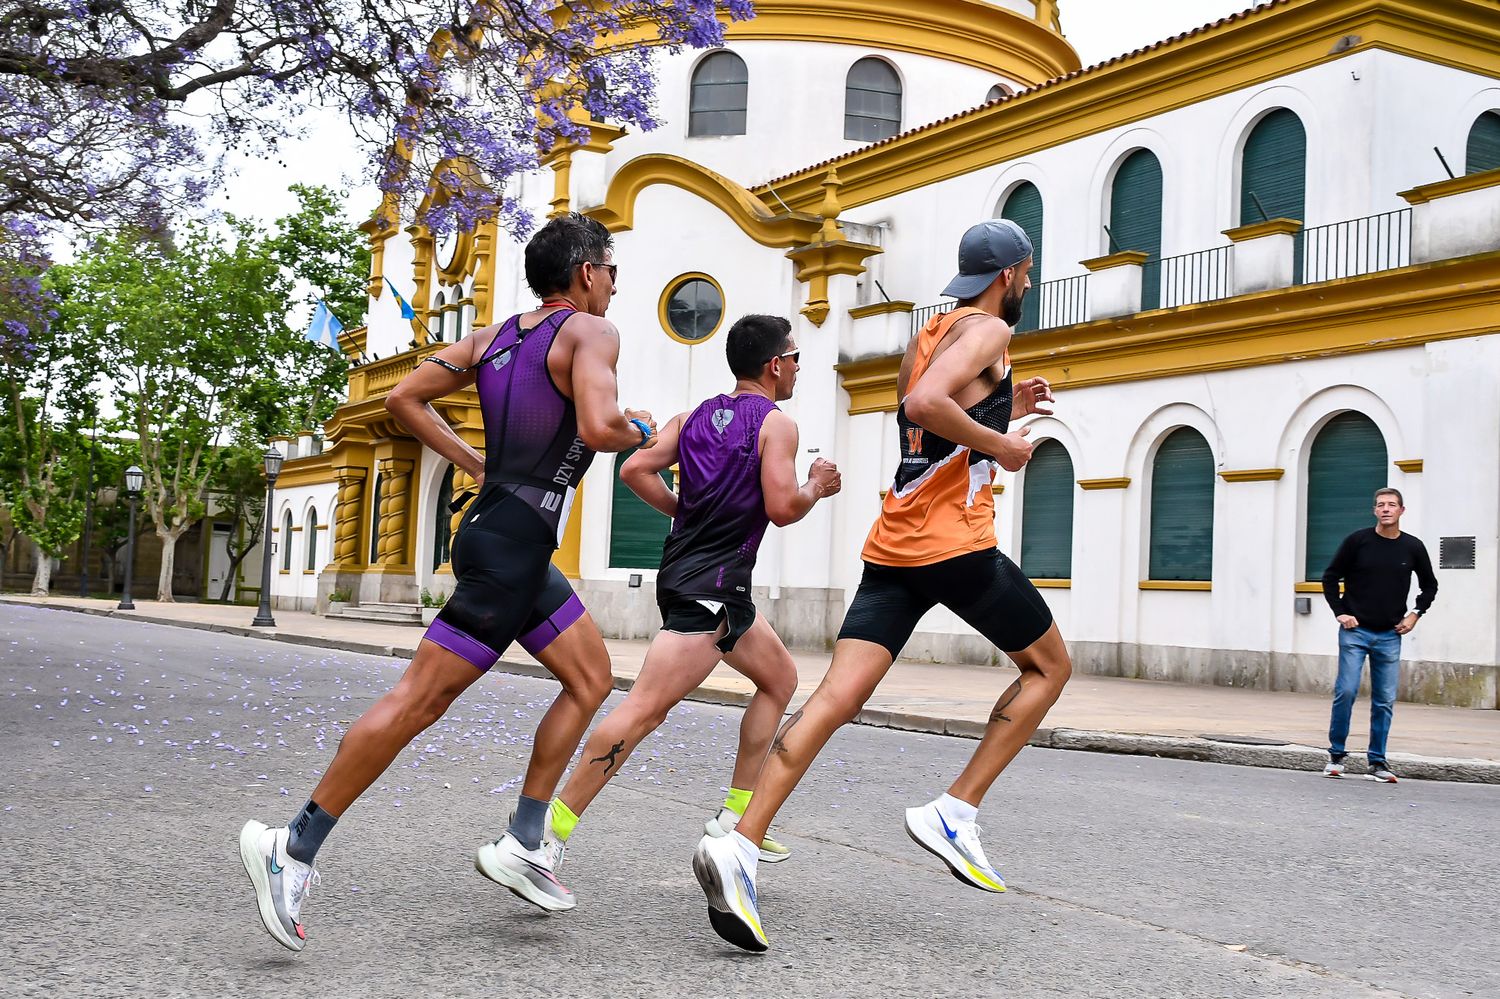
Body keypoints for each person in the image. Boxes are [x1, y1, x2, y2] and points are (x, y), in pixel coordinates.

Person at [238, 212, 658, 951]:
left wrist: (474, 462)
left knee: (590, 678)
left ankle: (526, 841)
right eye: (612, 270)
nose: (616, 285)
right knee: (416, 702)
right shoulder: (591, 333)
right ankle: (292, 845)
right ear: (586, 272)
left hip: (507, 542)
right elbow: (597, 427)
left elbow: (403, 399)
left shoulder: (493, 337)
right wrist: (640, 430)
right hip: (509, 550)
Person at [691, 218, 1072, 952]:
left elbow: (921, 425)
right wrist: (1006, 444)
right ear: (1012, 272)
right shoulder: (989, 328)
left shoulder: (932, 331)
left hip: (896, 541)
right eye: (1025, 273)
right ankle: (955, 810)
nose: (1025, 284)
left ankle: (739, 843)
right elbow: (929, 408)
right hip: (953, 543)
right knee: (1050, 667)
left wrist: (1005, 403)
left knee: (834, 698)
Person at [544, 314, 840, 882]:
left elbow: (634, 468)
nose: (800, 366)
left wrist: (683, 510)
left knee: (779, 679)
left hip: (709, 586)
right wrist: (816, 488)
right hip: (710, 590)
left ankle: (735, 813)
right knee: (645, 708)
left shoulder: (695, 416)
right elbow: (781, 508)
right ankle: (544, 837)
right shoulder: (777, 424)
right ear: (775, 365)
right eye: (796, 357)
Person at [1320, 487, 1437, 784]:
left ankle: (1377, 762)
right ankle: (1336, 756)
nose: (1386, 509)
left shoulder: (1413, 547)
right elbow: (1331, 576)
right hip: (1355, 632)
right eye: (1381, 505)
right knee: (1346, 691)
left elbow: (1430, 586)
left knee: (1384, 700)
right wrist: (1340, 612)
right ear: (1375, 510)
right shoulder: (1357, 541)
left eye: (1392, 505)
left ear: (1401, 511)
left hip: (1389, 635)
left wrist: (1415, 614)